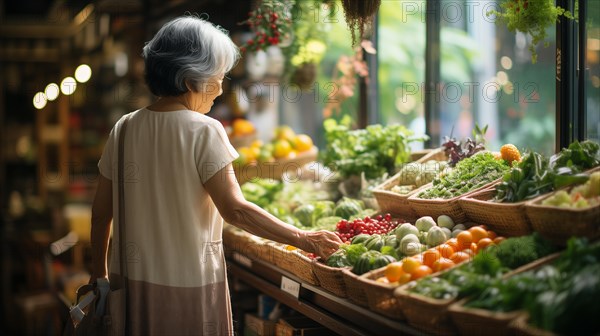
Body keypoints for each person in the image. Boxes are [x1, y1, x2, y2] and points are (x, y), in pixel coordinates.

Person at [89, 16, 342, 335]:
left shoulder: (123, 129)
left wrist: (100, 277)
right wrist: (303, 238)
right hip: (188, 290)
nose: (221, 88)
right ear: (189, 78)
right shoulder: (204, 130)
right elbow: (234, 209)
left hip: (128, 291)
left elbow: (100, 215)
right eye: (217, 77)